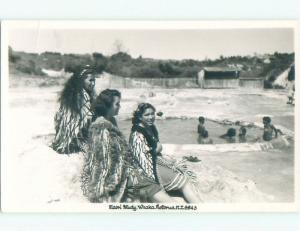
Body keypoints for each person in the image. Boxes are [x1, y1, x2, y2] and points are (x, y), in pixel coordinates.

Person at [81, 90, 175, 203]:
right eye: (117, 104)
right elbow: (104, 161)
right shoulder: (101, 128)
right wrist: (127, 173)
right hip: (117, 175)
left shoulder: (111, 120)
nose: (119, 107)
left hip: (125, 169)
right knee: (156, 192)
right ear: (107, 106)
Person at [129, 103, 201, 203]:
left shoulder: (150, 127)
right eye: (146, 115)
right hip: (149, 166)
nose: (151, 117)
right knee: (184, 182)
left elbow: (157, 145)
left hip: (155, 160)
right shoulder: (137, 134)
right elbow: (142, 160)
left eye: (152, 114)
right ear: (140, 117)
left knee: (182, 174)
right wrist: (154, 182)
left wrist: (159, 152)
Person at [52, 65, 98, 154]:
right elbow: (81, 121)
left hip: (71, 138)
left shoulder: (78, 94)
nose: (93, 83)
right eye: (90, 80)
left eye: (94, 81)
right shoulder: (78, 97)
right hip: (73, 140)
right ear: (81, 80)